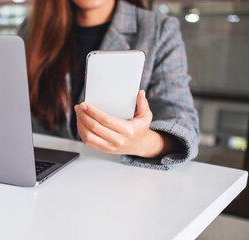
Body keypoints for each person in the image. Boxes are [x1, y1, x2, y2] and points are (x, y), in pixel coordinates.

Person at [18, 0, 200, 170]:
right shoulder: (33, 28)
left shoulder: (158, 29)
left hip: (115, 176)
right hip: (43, 171)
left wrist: (142, 142)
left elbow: (185, 125)